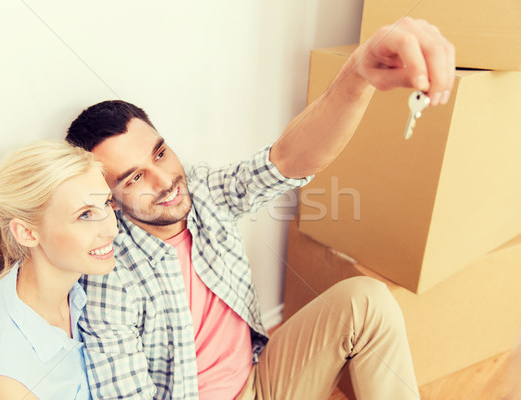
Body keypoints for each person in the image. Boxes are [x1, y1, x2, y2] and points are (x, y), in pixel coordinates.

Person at [65, 18, 455, 399]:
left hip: (261, 376)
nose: (164, 181)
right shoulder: (108, 280)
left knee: (368, 302)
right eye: (133, 179)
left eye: (161, 153)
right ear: (109, 201)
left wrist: (359, 72)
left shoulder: (202, 194)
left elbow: (288, 159)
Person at [0, 140, 119, 399]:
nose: (112, 229)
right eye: (85, 215)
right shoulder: (1, 374)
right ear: (26, 233)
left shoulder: (81, 291)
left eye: (106, 204)